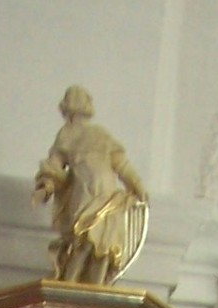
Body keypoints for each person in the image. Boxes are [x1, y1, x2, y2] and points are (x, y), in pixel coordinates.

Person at [33, 86, 147, 286]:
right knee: (83, 242)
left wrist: (137, 184)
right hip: (83, 195)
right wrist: (46, 188)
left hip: (106, 195)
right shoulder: (65, 135)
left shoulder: (100, 134)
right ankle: (69, 284)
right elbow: (54, 168)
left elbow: (121, 164)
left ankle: (97, 287)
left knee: (103, 247)